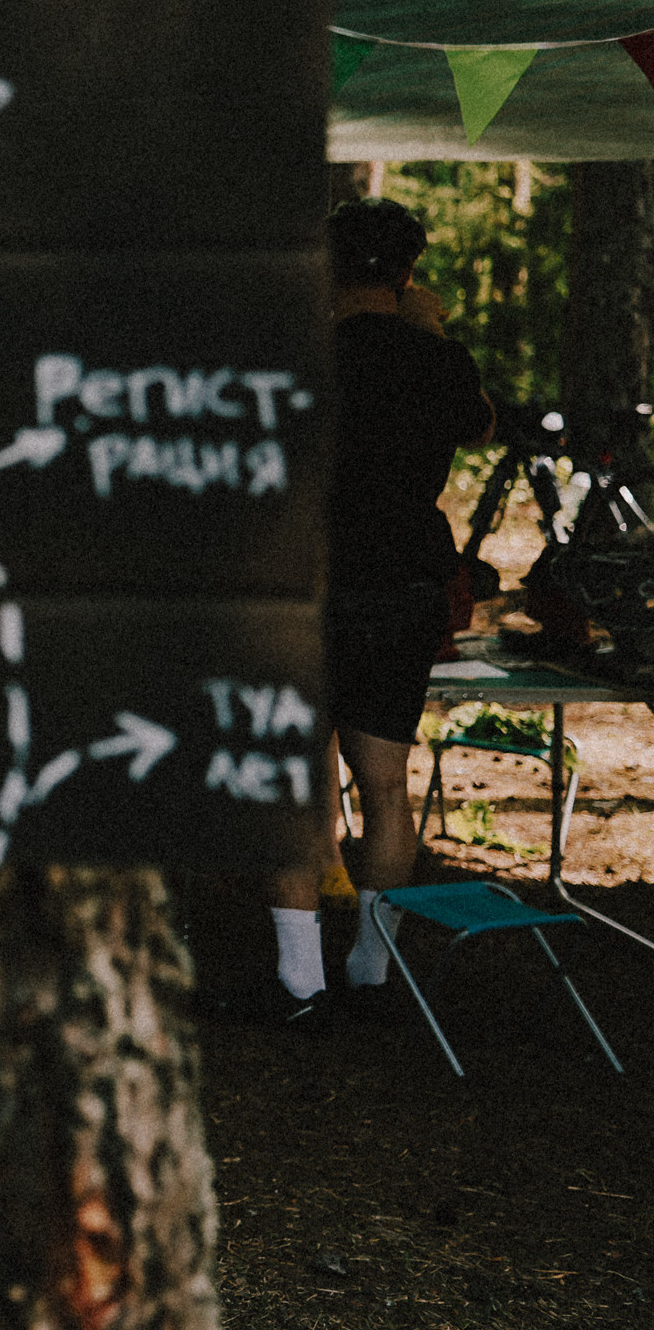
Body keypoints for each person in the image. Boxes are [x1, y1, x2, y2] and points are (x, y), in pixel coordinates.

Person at [256, 199, 494, 1024]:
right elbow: (480, 423)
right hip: (402, 584)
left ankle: (298, 983)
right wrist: (428, 333)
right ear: (405, 272)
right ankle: (372, 966)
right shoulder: (439, 359)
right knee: (386, 785)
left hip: (305, 586)